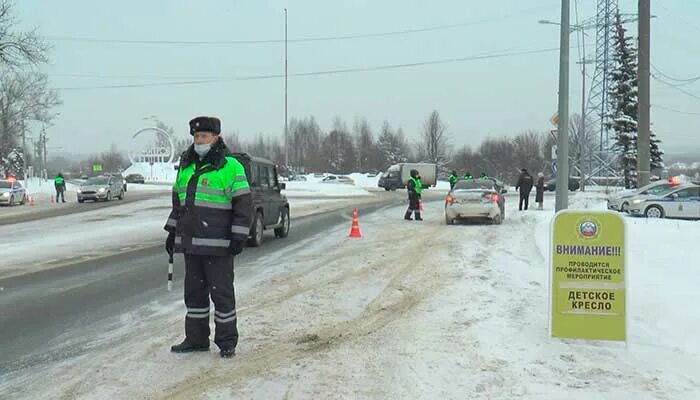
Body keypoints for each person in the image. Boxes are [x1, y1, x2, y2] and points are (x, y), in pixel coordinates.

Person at [164, 116, 252, 359]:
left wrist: (239, 236)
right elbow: (178, 204)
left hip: (218, 246)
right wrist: (172, 231)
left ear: (216, 138)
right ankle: (196, 339)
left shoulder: (231, 166)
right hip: (191, 245)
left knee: (222, 295)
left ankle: (226, 342)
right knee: (194, 296)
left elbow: (243, 205)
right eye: (195, 136)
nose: (199, 141)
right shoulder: (186, 166)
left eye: (204, 136)